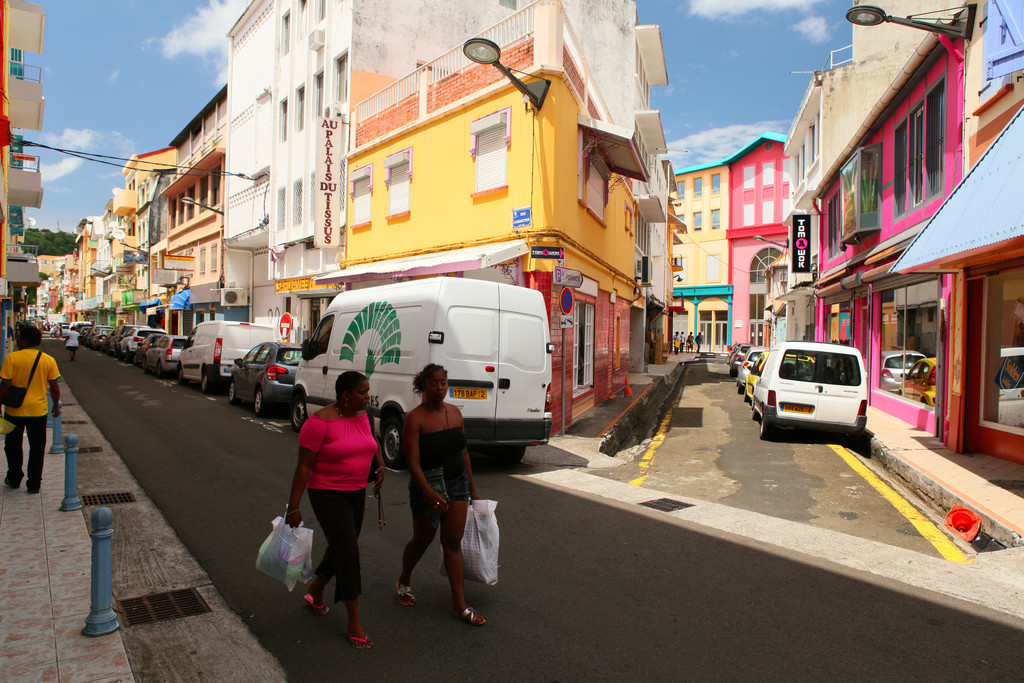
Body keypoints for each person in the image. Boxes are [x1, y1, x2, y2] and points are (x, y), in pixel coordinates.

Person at [285, 371, 385, 650]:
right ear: (345, 396)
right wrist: (293, 507)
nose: (368, 396)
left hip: (356, 492)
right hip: (327, 494)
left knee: (344, 544)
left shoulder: (364, 416)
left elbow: (371, 441)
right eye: (362, 393)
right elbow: (303, 467)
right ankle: (354, 619)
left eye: (367, 392)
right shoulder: (318, 424)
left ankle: (316, 588)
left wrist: (379, 464)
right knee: (348, 551)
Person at [396, 363, 485, 626]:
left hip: (457, 483)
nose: (439, 388)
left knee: (452, 543)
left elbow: (463, 453)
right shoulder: (416, 418)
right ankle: (404, 579)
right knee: (422, 539)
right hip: (429, 484)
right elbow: (412, 460)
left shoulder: (456, 414)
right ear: (423, 386)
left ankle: (460, 606)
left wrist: (473, 488)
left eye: (443, 383)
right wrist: (427, 492)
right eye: (433, 383)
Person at [0, 325, 61, 493]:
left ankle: (14, 477)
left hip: (14, 411)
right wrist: (55, 406)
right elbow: (54, 388)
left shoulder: (12, 358)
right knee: (37, 447)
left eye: (19, 338)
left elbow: (5, 384)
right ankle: (34, 483)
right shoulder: (48, 360)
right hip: (38, 412)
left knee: (12, 445)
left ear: (24, 340)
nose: (17, 341)